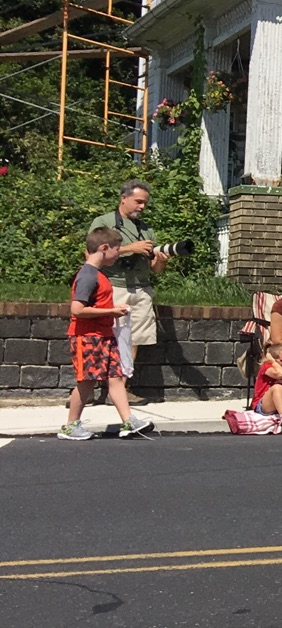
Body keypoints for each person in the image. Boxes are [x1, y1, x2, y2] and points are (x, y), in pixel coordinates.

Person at [57, 227, 152, 439]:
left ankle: (128, 421)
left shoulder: (97, 275)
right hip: (87, 337)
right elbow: (77, 309)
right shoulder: (88, 276)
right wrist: (112, 310)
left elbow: (95, 303)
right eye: (117, 250)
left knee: (116, 377)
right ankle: (70, 426)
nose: (118, 254)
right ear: (104, 248)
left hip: (103, 335)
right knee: (87, 381)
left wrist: (112, 310)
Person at [88, 179, 167, 380]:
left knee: (134, 340)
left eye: (145, 203)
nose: (142, 207)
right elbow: (91, 255)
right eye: (138, 201)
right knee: (106, 337)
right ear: (124, 199)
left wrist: (162, 259)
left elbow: (155, 269)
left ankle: (122, 388)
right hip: (114, 286)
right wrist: (130, 249)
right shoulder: (104, 222)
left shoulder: (146, 229)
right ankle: (91, 385)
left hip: (141, 289)